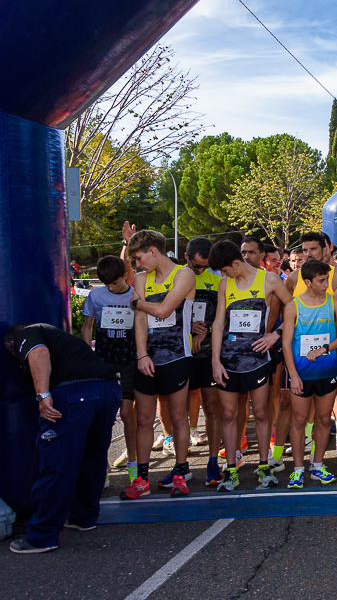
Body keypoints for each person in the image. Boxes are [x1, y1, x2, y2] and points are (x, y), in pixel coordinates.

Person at [5, 324, 122, 553]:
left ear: (12, 344)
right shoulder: (61, 338)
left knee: (57, 463)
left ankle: (42, 536)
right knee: (93, 458)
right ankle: (83, 516)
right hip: (108, 390)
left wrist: (42, 395)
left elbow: (39, 352)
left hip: (74, 395)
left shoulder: (26, 333)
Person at [209, 240, 292, 491]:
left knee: (262, 413)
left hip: (257, 359)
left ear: (236, 263)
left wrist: (276, 334)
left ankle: (264, 465)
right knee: (229, 414)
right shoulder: (225, 284)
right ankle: (231, 469)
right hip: (228, 360)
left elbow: (294, 308)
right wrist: (215, 360)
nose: (223, 275)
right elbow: (218, 323)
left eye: (225, 270)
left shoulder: (269, 280)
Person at [120, 229, 196, 501]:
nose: (138, 265)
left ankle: (180, 473)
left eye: (139, 259)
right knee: (143, 419)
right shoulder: (142, 279)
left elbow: (164, 310)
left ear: (153, 252)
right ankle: (142, 479)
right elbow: (140, 319)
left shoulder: (184, 274)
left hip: (177, 357)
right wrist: (142, 355)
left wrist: (138, 303)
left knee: (178, 418)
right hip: (147, 359)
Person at [282, 260, 337, 488]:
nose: (326, 284)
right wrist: (293, 375)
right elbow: (286, 343)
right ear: (308, 282)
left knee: (323, 419)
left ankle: (318, 465)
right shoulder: (293, 306)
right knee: (299, 421)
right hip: (301, 374)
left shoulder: (334, 301)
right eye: (321, 281)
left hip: (326, 371)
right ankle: (298, 470)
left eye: (327, 279)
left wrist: (324, 349)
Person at [81, 256, 138, 486]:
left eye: (114, 282)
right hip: (104, 361)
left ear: (124, 276)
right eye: (107, 284)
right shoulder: (96, 296)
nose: (111, 287)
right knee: (104, 416)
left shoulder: (135, 294)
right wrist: (88, 356)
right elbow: (87, 326)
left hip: (129, 360)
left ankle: (133, 463)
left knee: (127, 413)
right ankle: (102, 465)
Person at [183, 237, 225, 487]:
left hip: (208, 354)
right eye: (197, 266)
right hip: (181, 353)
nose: (201, 270)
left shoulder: (217, 280)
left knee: (212, 407)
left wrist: (205, 331)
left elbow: (224, 317)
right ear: (186, 257)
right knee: (180, 410)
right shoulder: (177, 277)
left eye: (206, 266)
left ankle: (212, 461)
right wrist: (188, 327)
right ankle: (180, 465)